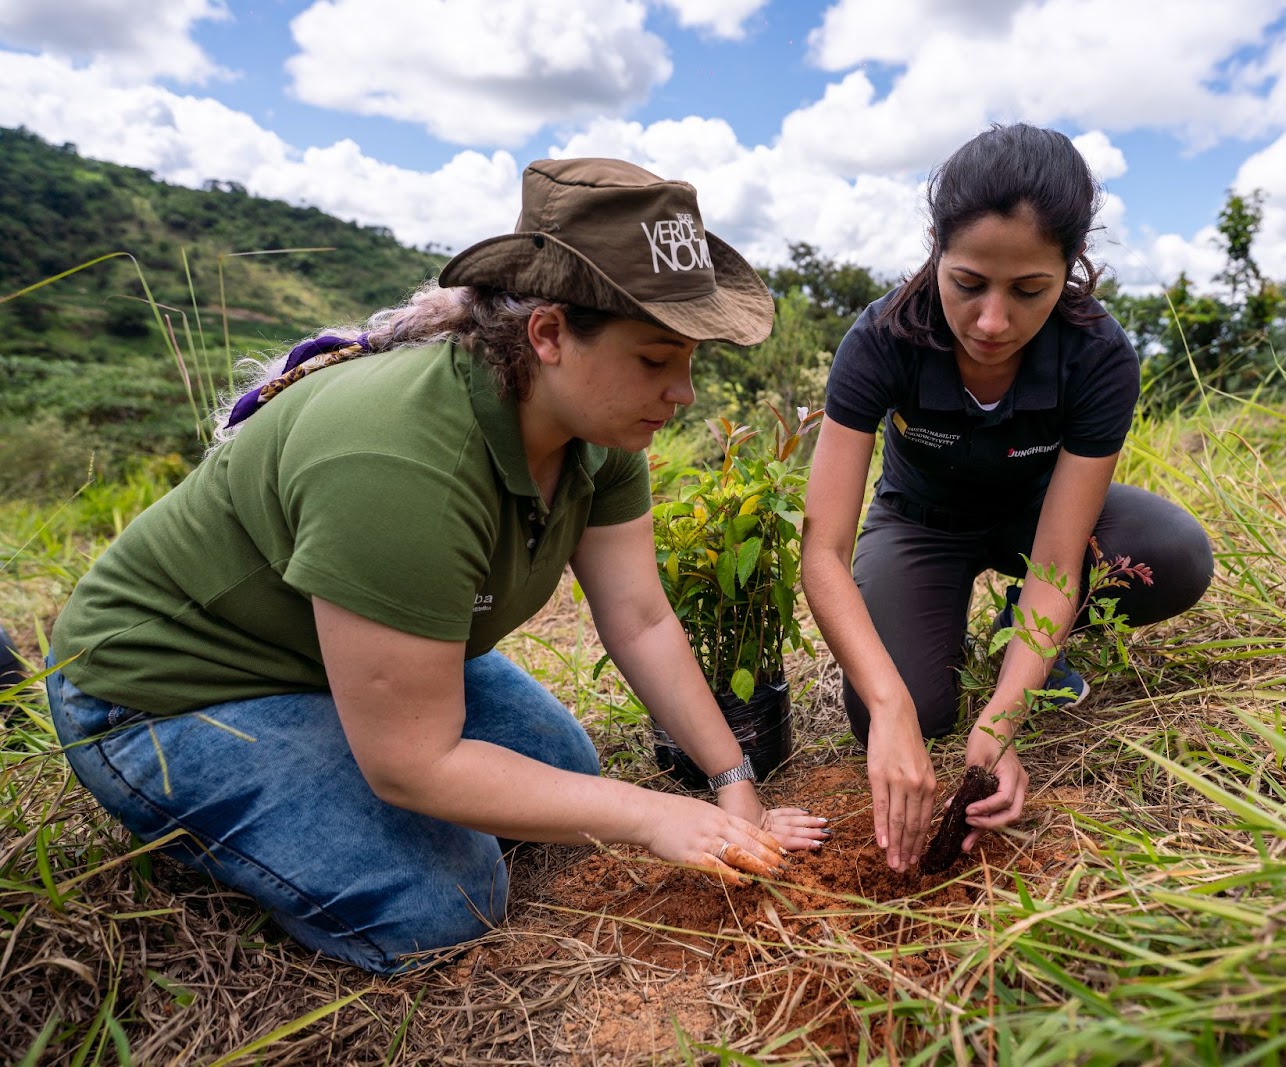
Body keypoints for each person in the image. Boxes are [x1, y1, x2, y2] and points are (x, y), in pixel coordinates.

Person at [45, 158, 829, 974]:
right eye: (655, 359)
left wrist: (732, 784)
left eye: (691, 363)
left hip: (324, 657)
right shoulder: (398, 458)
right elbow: (413, 763)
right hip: (167, 691)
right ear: (550, 333)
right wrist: (649, 815)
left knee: (563, 768)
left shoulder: (599, 430)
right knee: (444, 902)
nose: (683, 394)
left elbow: (640, 616)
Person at [801, 124, 1213, 873]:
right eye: (968, 283)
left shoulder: (1097, 356)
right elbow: (822, 550)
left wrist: (1003, 720)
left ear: (1070, 269)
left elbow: (1059, 559)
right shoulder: (882, 339)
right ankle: (949, 644)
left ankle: (1018, 645)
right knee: (902, 705)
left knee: (1175, 554)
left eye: (1029, 291)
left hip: (1039, 518)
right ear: (936, 252)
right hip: (921, 522)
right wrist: (891, 710)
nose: (993, 322)